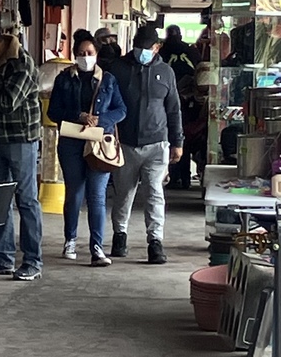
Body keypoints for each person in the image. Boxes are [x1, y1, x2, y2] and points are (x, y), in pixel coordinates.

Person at [0, 23, 44, 280]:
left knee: (26, 199)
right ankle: (2, 257)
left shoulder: (22, 63)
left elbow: (7, 102)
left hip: (20, 139)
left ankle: (33, 261)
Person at [47, 35, 127, 266]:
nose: (85, 57)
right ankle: (70, 240)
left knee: (97, 196)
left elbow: (121, 110)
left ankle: (97, 248)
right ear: (74, 55)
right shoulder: (64, 79)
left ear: (97, 54)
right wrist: (78, 116)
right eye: (81, 53)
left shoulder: (108, 80)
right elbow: (53, 111)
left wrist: (101, 120)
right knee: (74, 193)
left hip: (98, 143)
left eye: (90, 53)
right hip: (71, 142)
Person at [109, 24, 183, 264]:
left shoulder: (166, 72)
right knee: (123, 193)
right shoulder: (118, 69)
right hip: (125, 143)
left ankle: (155, 242)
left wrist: (177, 142)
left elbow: (173, 109)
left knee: (154, 193)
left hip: (157, 143)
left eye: (146, 47)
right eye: (137, 47)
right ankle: (120, 235)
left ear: (157, 47)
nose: (141, 51)